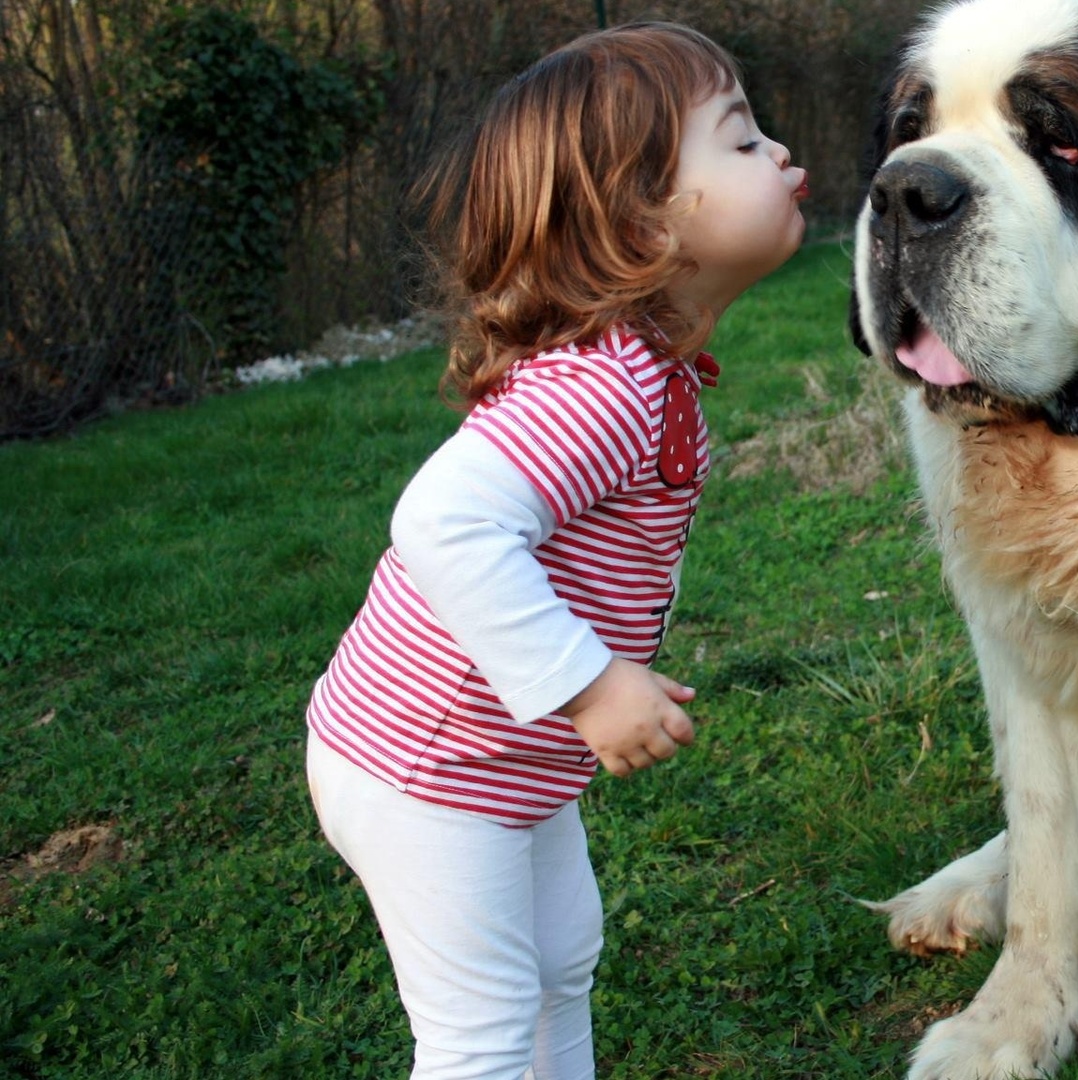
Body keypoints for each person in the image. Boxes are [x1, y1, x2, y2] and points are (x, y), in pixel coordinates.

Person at [303, 21, 807, 1079]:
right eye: (742, 136)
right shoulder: (603, 385)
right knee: (478, 1033)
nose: (779, 154)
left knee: (561, 959)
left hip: (500, 768)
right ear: (642, 218)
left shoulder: (649, 371)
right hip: (426, 766)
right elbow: (443, 524)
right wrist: (585, 686)